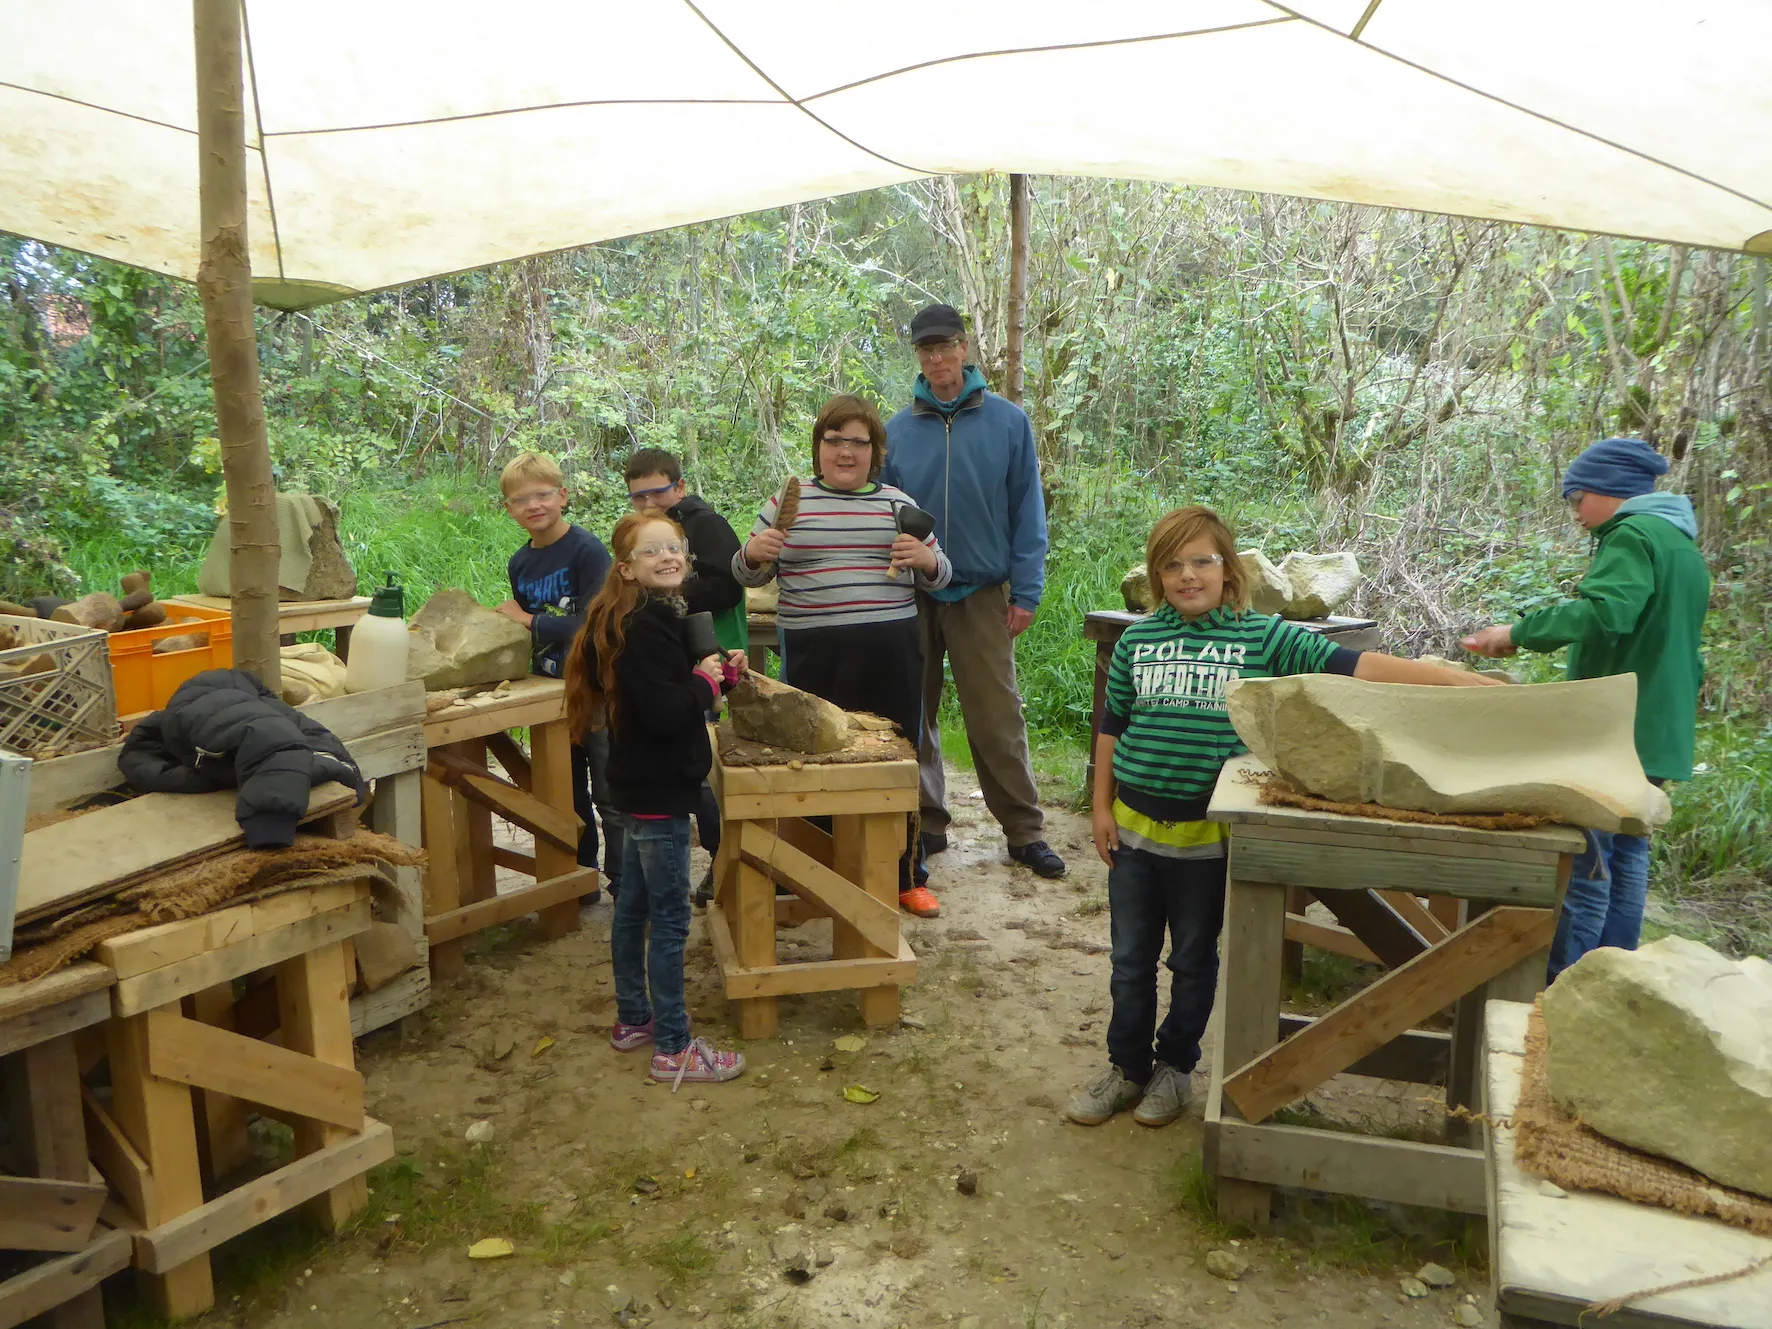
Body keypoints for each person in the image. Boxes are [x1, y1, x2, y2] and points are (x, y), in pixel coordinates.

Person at [1068, 505, 1499, 1129]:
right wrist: (1101, 806)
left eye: (1201, 561)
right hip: (1134, 830)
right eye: (1172, 564)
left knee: (1191, 959)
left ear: (1228, 569)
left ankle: (1174, 1070)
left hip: (1208, 837)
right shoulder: (1137, 640)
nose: (1188, 575)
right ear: (1157, 576)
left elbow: (1355, 667)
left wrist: (1452, 680)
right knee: (1129, 960)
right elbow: (1112, 725)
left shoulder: (1262, 636)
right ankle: (1126, 1068)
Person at [1463, 437, 1709, 981]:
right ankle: (1612, 983)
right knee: (1627, 856)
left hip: (1615, 730)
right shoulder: (1679, 543)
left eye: (1577, 498)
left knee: (1586, 867)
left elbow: (1607, 615)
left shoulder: (1630, 535)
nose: (1575, 512)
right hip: (1658, 731)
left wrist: (1520, 631)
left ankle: (1565, 990)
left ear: (1610, 491)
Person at [733, 395, 952, 918]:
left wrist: (925, 558)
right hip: (813, 652)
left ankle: (904, 875)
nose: (846, 452)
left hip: (891, 650)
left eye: (858, 442)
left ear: (875, 451)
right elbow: (745, 575)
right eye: (835, 441)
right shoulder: (789, 499)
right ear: (819, 447)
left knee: (897, 760)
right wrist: (752, 554)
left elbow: (942, 574)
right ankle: (813, 869)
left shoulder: (897, 502)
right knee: (812, 759)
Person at [565, 511, 748, 1087]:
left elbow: (686, 688)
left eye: (676, 547)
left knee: (634, 909)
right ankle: (673, 1048)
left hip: (644, 784)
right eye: (652, 551)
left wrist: (723, 677)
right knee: (668, 923)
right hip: (658, 793)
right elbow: (668, 710)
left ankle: (633, 1019)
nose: (669, 557)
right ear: (626, 568)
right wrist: (703, 684)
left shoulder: (658, 616)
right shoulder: (641, 628)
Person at [882, 303, 1064, 883]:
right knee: (914, 713)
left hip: (982, 590)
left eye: (946, 346)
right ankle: (925, 823)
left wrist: (1026, 591)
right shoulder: (896, 431)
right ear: (918, 357)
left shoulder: (1008, 422)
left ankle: (1024, 830)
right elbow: (884, 511)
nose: (937, 359)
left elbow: (1026, 513)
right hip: (912, 591)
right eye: (926, 350)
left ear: (965, 348)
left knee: (996, 716)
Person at [623, 448, 746, 905]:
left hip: (710, 656)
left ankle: (724, 861)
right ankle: (721, 863)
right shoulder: (649, 542)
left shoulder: (706, 524)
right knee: (698, 765)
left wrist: (670, 590)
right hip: (684, 664)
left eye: (656, 492)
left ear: (679, 487)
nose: (648, 503)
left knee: (713, 768)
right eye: (638, 497)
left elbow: (730, 586)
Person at [494, 451, 619, 900]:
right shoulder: (519, 563)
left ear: (563, 496)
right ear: (508, 509)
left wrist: (526, 621)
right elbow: (530, 626)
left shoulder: (586, 550)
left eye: (543, 494)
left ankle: (624, 885)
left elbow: (595, 623)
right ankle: (578, 877)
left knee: (611, 790)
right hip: (550, 690)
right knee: (565, 791)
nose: (534, 505)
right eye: (520, 499)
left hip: (598, 687)